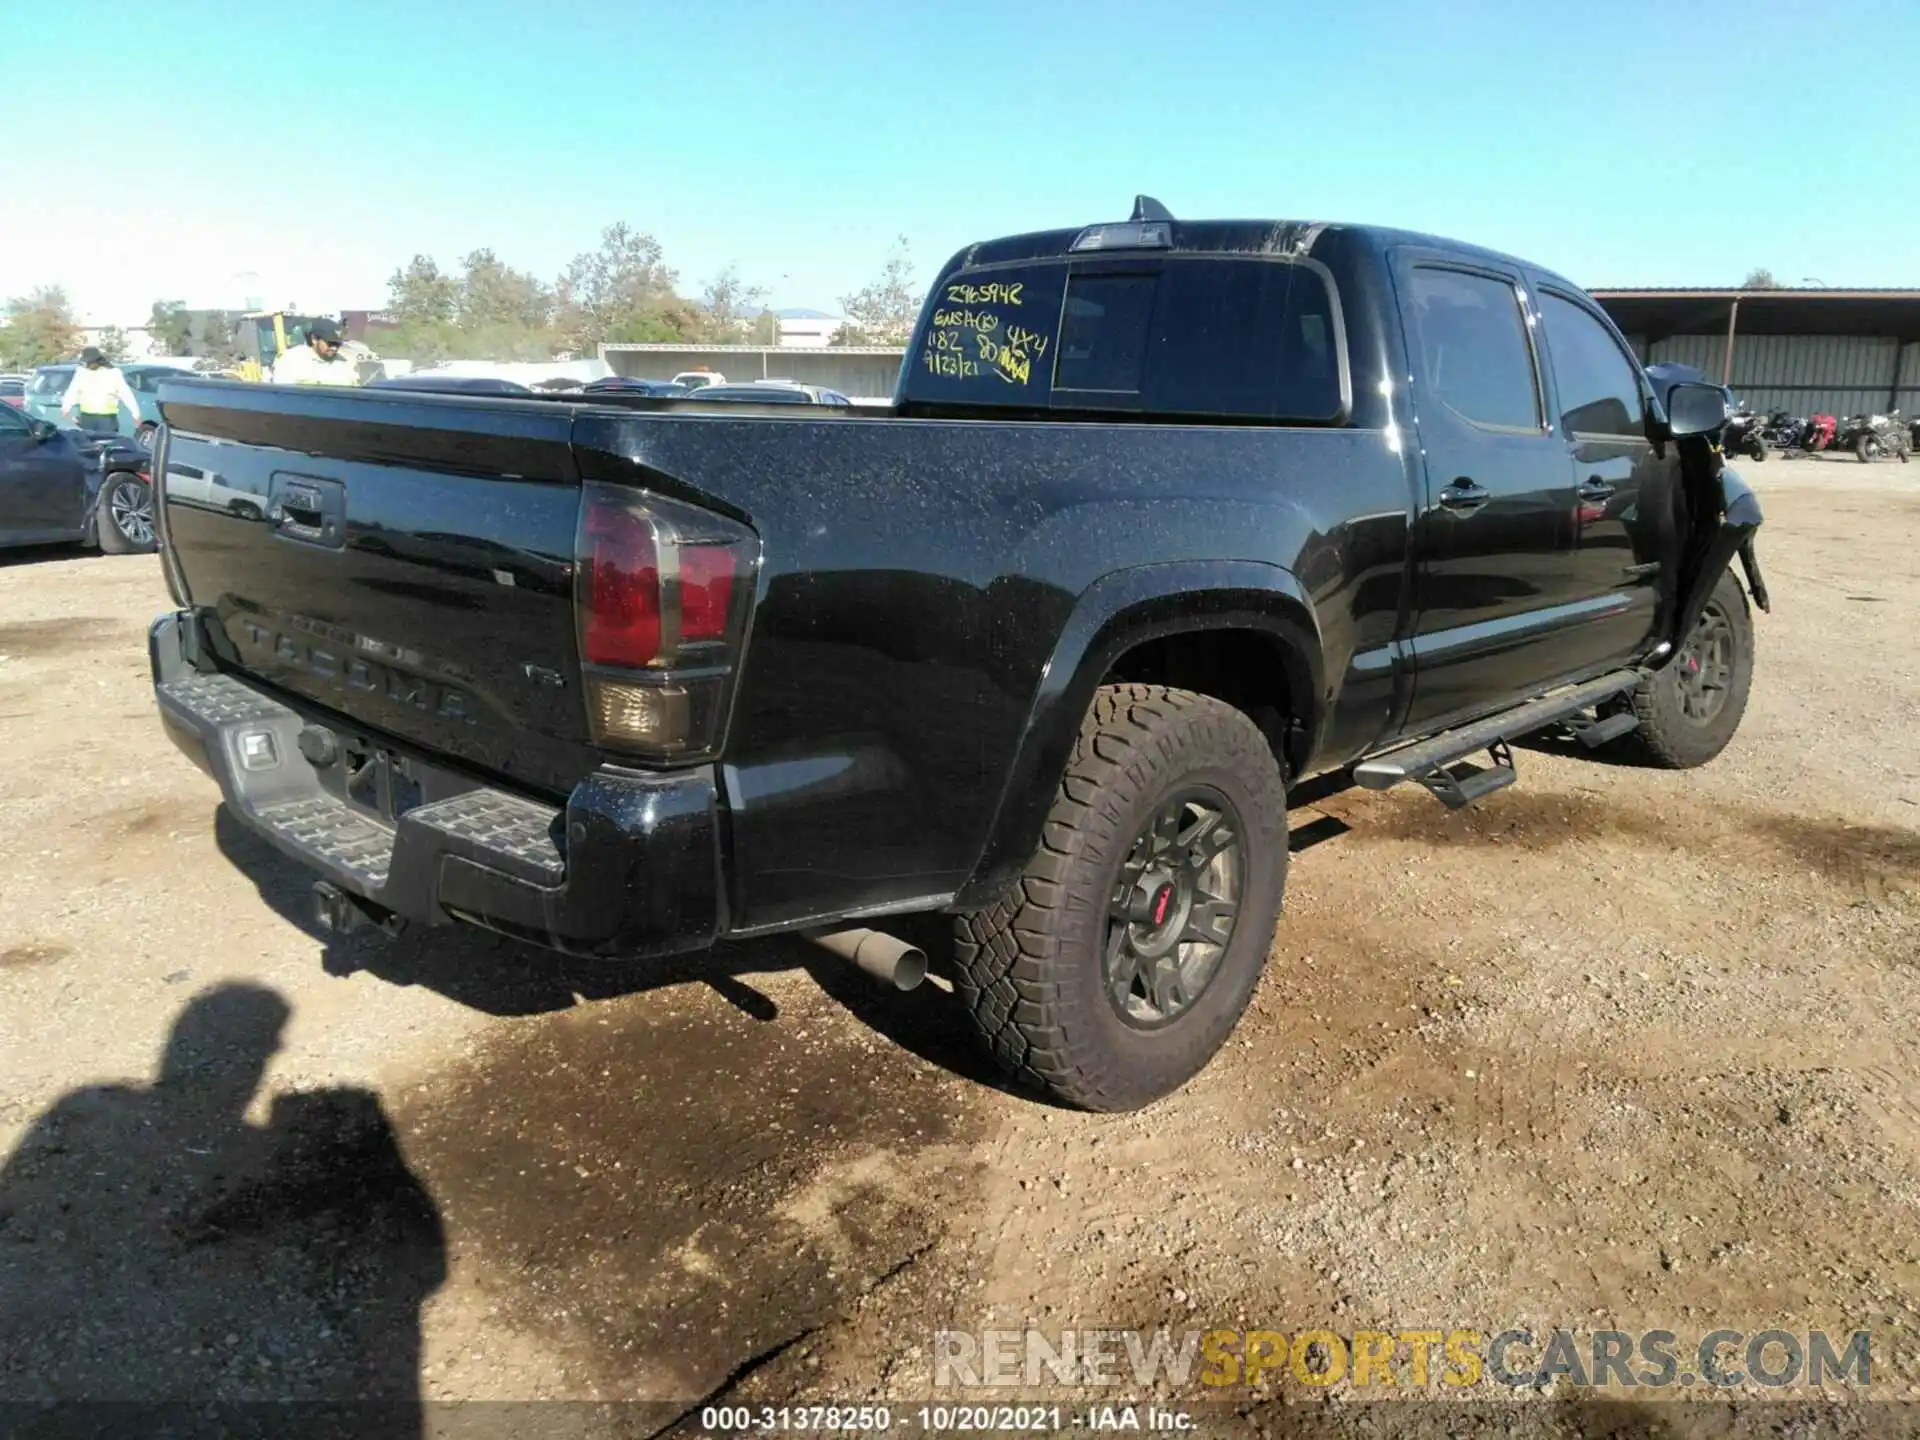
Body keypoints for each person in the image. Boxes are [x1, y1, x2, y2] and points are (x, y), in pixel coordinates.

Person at [59, 346, 141, 434]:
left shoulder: (112, 373)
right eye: (87, 362)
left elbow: (125, 394)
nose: (89, 364)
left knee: (107, 445)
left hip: (107, 419)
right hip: (87, 419)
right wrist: (66, 407)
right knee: (88, 446)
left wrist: (135, 414)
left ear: (98, 360)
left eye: (90, 362)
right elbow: (73, 391)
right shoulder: (81, 373)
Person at [269, 316, 360, 386]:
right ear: (314, 339)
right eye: (330, 343)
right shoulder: (292, 360)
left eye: (337, 344)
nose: (334, 348)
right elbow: (282, 397)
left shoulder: (345, 363)